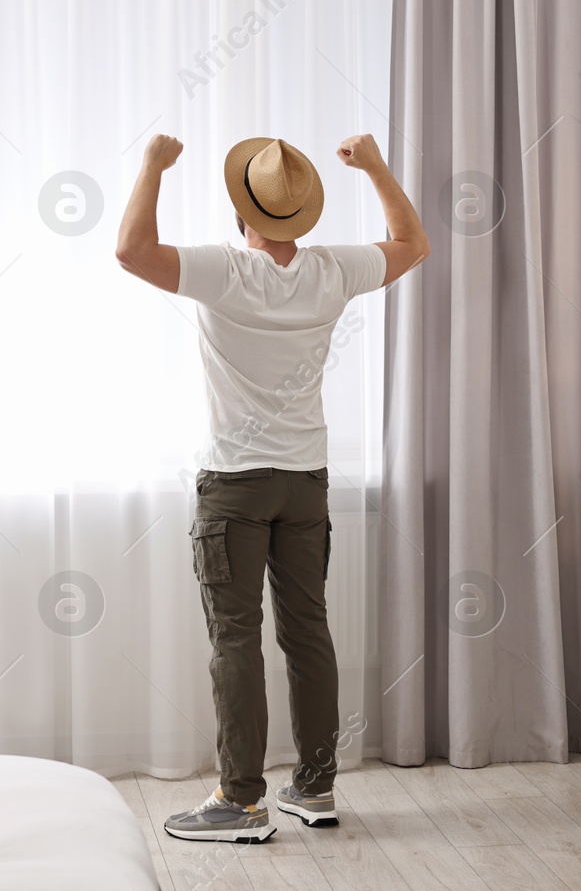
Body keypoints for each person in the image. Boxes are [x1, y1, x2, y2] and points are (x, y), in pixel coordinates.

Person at [115, 132, 429, 843]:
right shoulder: (331, 271)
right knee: (308, 631)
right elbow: (412, 243)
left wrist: (153, 166)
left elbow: (132, 250)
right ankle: (314, 785)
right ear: (302, 214)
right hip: (305, 482)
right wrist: (376, 168)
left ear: (241, 211)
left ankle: (241, 798)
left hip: (234, 485)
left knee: (235, 637)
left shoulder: (225, 272)